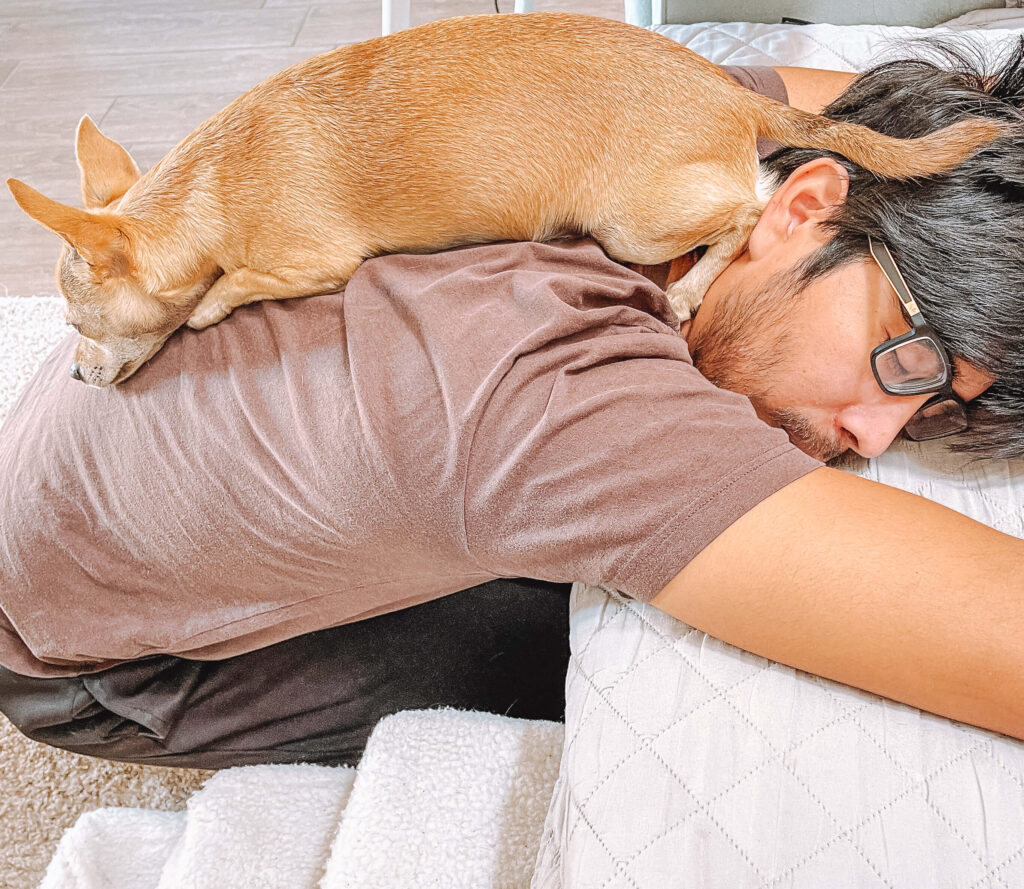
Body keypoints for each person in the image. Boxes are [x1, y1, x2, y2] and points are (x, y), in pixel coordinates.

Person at [0, 44, 1021, 769]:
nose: (875, 434)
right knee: (687, 644)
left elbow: (888, 113)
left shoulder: (667, 111)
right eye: (909, 363)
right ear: (803, 207)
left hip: (59, 454)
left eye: (937, 414)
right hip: (94, 661)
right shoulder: (558, 399)